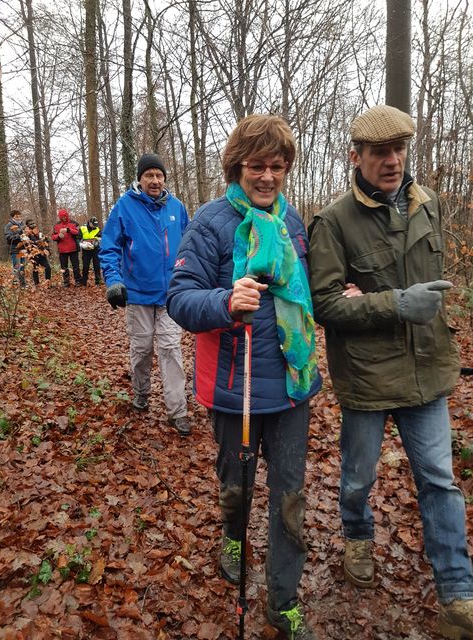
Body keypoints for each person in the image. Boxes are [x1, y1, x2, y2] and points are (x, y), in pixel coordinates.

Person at [308, 104, 473, 640]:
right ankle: (357, 536)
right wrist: (392, 303)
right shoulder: (334, 222)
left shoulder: (429, 204)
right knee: (358, 478)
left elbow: (438, 281)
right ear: (356, 156)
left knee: (440, 482)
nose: (392, 160)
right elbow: (326, 305)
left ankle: (457, 592)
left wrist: (414, 306)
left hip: (428, 370)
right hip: (368, 378)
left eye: (399, 149)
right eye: (380, 151)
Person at [167, 114, 322, 639]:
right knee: (237, 485)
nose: (267, 177)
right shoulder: (211, 223)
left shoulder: (292, 222)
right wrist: (224, 300)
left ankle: (283, 600)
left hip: (293, 386)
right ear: (238, 167)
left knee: (290, 497)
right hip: (238, 390)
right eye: (257, 165)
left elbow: (307, 290)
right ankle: (233, 536)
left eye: (277, 167)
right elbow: (179, 298)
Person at [99, 153, 191, 436]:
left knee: (171, 350)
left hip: (170, 296)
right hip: (137, 295)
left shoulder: (176, 207)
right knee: (141, 351)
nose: (155, 180)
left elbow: (190, 246)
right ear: (139, 179)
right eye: (149, 175)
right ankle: (141, 395)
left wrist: (192, 279)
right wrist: (114, 280)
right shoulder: (124, 207)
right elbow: (110, 246)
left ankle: (177, 411)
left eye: (159, 175)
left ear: (165, 178)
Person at [51, 209, 81, 287]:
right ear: (59, 217)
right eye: (62, 217)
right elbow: (53, 236)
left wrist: (68, 230)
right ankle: (66, 282)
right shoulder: (56, 225)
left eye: (65, 216)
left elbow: (78, 232)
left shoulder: (74, 223)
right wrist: (58, 236)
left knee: (76, 266)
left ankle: (78, 281)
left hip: (73, 248)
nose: (64, 218)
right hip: (62, 250)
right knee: (64, 267)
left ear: (67, 215)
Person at [20, 219, 51, 287]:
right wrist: (35, 242)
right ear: (27, 225)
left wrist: (46, 247)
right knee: (35, 269)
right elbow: (26, 242)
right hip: (33, 254)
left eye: (33, 223)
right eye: (30, 224)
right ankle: (37, 284)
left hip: (41, 253)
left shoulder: (38, 232)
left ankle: (48, 283)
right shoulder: (26, 233)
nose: (33, 225)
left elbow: (46, 241)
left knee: (48, 267)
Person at [4, 210, 26, 288]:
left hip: (23, 249)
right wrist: (19, 234)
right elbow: (8, 238)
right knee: (16, 267)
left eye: (20, 216)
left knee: (22, 267)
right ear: (13, 217)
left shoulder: (22, 224)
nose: (19, 218)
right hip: (14, 249)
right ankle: (15, 285)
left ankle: (23, 285)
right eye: (17, 216)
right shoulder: (9, 225)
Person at [79, 217, 102, 285]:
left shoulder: (97, 229)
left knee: (97, 265)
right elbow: (77, 238)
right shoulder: (82, 228)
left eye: (96, 224)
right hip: (86, 250)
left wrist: (95, 243)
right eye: (93, 224)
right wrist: (82, 245)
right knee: (85, 266)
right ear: (89, 222)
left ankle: (98, 281)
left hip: (95, 250)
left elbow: (100, 238)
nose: (94, 226)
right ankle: (84, 281)